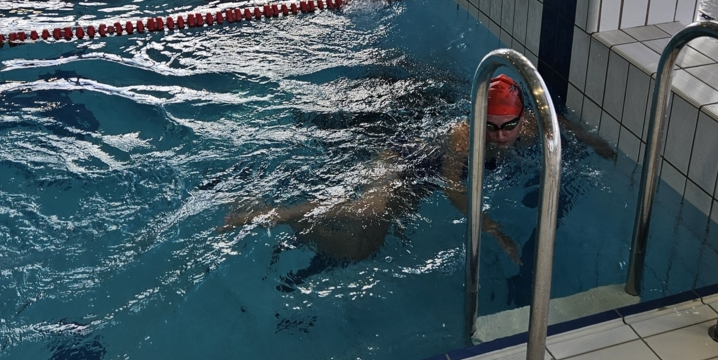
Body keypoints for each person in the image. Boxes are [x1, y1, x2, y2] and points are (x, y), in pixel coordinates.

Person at [222, 73, 536, 264]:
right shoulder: (463, 137)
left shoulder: (532, 129)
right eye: (490, 126)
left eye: (509, 125)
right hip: (403, 159)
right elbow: (453, 190)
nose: (500, 135)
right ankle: (276, 213)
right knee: (368, 211)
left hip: (423, 180)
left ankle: (298, 223)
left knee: (359, 250)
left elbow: (556, 124)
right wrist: (493, 229)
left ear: (522, 118)